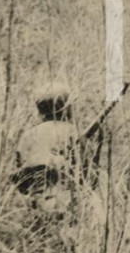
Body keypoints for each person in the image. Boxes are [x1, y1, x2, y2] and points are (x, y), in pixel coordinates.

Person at [12, 81, 80, 219]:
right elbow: (82, 169)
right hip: (65, 200)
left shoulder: (28, 135)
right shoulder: (71, 131)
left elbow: (19, 172)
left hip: (35, 202)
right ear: (65, 107)